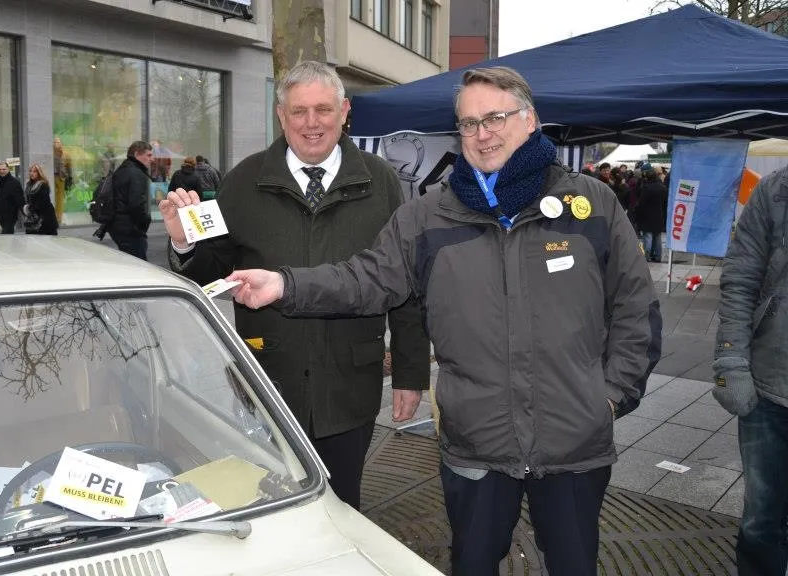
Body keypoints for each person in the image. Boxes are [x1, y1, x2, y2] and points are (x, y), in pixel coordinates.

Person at [226, 66, 662, 575]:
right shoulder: (430, 216)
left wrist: (609, 399)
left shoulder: (589, 206)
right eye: (469, 123)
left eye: (495, 118)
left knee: (572, 564)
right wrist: (284, 285)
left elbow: (636, 307)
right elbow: (366, 278)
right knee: (472, 564)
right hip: (477, 444)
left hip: (575, 443)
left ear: (530, 121)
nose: (482, 134)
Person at [159, 60, 430, 510]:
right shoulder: (243, 181)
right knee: (271, 509)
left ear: (344, 112)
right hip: (266, 385)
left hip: (351, 386)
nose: (311, 123)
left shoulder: (381, 182)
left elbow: (404, 283)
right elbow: (212, 273)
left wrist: (409, 374)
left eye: (322, 109)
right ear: (280, 115)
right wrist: (184, 244)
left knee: (342, 508)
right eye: (298, 111)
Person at [713, 165, 788, 576]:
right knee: (762, 519)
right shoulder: (776, 189)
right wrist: (730, 362)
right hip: (769, 386)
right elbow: (740, 280)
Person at [107, 140, 153, 260]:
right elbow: (136, 204)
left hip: (117, 225)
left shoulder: (122, 169)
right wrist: (145, 221)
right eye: (148, 155)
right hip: (130, 228)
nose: (151, 159)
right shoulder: (137, 174)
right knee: (140, 265)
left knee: (129, 262)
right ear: (137, 154)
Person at [634, 168, 668, 262]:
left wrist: (638, 213)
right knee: (657, 237)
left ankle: (647, 256)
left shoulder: (646, 188)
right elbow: (665, 203)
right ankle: (657, 256)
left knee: (648, 236)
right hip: (660, 215)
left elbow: (641, 203)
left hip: (647, 216)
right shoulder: (663, 188)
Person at [23, 162, 58, 235]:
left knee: (45, 240)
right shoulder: (29, 185)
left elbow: (43, 203)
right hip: (32, 217)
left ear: (39, 173)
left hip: (45, 217)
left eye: (34, 171)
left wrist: (29, 208)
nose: (32, 173)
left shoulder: (43, 185)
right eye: (30, 171)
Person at [0, 160, 24, 235]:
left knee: (7, 234)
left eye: (4, 169)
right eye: (0, 169)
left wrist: (24, 212)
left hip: (10, 215)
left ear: (8, 169)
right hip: (1, 214)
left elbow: (20, 199)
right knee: (6, 234)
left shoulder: (14, 182)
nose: (2, 171)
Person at [52, 136, 73, 223]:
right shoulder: (50, 153)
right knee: (52, 197)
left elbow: (69, 166)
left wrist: (70, 177)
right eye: (55, 142)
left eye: (58, 142)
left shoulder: (65, 154)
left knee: (60, 199)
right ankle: (53, 216)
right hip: (52, 177)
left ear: (61, 144)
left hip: (61, 178)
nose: (56, 144)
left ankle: (59, 217)